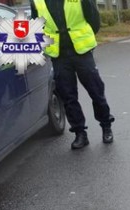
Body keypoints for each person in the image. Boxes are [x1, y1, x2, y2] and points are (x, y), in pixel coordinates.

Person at [30, 0, 115, 149]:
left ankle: (106, 126)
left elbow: (93, 19)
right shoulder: (37, 1)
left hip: (81, 51)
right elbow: (36, 26)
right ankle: (80, 133)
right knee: (68, 96)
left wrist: (83, 36)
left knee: (96, 91)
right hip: (58, 54)